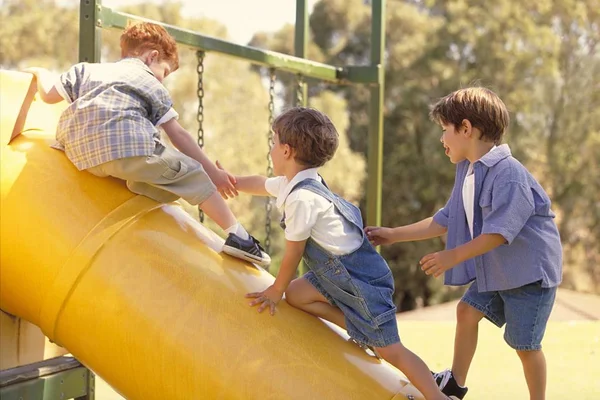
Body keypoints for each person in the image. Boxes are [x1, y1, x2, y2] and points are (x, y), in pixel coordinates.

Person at [230, 107, 449, 400]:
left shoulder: (302, 198)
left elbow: (294, 251)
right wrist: (228, 180)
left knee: (392, 350)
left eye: (273, 142)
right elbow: (260, 183)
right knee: (297, 295)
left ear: (286, 150)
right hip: (337, 277)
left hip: (362, 282)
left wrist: (275, 290)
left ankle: (439, 397)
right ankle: (362, 332)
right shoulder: (299, 183)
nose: (270, 149)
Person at [365, 87, 562, 400]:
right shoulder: (469, 171)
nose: (442, 139)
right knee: (467, 312)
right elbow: (446, 218)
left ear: (467, 129)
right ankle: (455, 384)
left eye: (445, 130)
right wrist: (392, 234)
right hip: (497, 271)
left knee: (525, 346)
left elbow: (500, 232)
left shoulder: (508, 174)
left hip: (529, 276)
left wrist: (451, 256)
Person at [24, 22, 269, 266]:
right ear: (152, 57)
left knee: (160, 181)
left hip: (80, 154)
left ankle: (135, 185)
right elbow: (179, 135)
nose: (162, 80)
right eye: (165, 72)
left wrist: (38, 72)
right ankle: (240, 237)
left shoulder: (86, 70)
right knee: (194, 175)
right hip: (131, 149)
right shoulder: (151, 83)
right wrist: (212, 172)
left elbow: (47, 95)